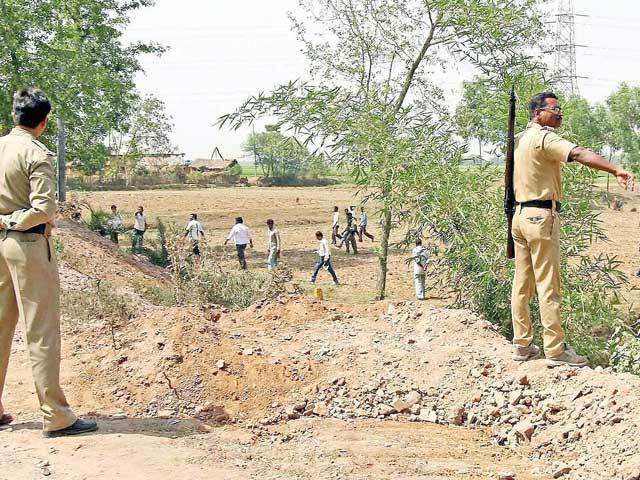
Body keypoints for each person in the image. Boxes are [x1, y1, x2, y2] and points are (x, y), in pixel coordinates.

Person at [511, 91, 634, 368]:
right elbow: (578, 153)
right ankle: (555, 350)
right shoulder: (544, 138)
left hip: (519, 216)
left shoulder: (522, 139)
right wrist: (616, 170)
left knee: (522, 284)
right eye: (554, 109)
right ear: (537, 113)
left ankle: (522, 345)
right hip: (540, 217)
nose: (559, 113)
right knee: (548, 284)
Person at [0, 88, 97, 436]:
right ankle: (55, 414)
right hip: (27, 244)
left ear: (15, 116)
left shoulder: (1, 146)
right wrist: (12, 221)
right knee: (40, 331)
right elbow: (44, 209)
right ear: (43, 122)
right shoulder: (36, 153)